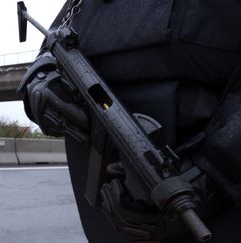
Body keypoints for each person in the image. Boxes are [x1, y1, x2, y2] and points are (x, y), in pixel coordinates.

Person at [18, 0, 241, 242]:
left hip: (207, 195)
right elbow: (57, 34)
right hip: (107, 209)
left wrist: (214, 170)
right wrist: (41, 75)